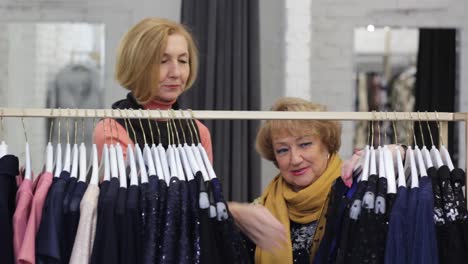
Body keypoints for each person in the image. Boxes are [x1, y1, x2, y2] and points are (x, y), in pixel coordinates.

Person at [228, 97, 343, 263]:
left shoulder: (355, 197)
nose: (295, 159)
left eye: (304, 144)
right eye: (282, 150)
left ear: (327, 144)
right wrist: (230, 211)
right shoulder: (258, 212)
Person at [93, 17, 212, 161]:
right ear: (136, 66)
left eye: (182, 61)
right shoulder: (112, 131)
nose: (176, 73)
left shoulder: (199, 132)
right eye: (162, 61)